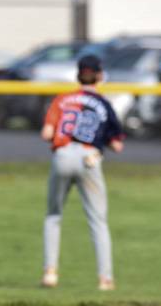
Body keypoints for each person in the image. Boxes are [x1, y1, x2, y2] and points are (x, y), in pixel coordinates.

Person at [39, 55, 125, 291]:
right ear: (99, 75)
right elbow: (118, 146)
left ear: (78, 74)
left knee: (53, 215)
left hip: (62, 156)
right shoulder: (104, 104)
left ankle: (50, 273)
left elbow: (46, 134)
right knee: (98, 221)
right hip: (90, 158)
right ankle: (105, 279)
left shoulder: (62, 99)